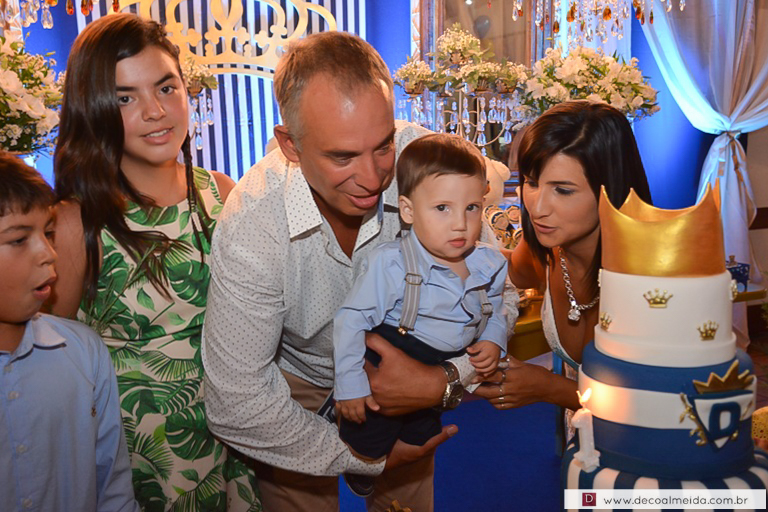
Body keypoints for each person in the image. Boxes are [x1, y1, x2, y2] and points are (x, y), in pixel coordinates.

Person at [202, 31, 513, 512]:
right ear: (290, 144)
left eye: (383, 145)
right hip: (296, 386)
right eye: (342, 156)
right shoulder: (254, 221)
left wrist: (443, 379)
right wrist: (363, 460)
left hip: (411, 372)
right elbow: (237, 400)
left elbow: (497, 295)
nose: (372, 178)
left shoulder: (424, 165)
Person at [49, 14, 260, 511]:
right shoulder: (78, 223)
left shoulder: (222, 194)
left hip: (236, 438)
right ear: (94, 109)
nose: (155, 111)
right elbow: (52, 366)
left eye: (166, 87)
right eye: (125, 98)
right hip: (139, 458)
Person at [334, 133, 508, 496]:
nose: (460, 223)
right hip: (397, 351)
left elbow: (497, 307)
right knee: (367, 440)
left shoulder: (489, 262)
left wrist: (494, 338)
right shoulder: (392, 263)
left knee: (421, 440)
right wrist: (350, 385)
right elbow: (351, 319)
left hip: (442, 366)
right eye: (442, 208)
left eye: (471, 207)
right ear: (409, 211)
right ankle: (362, 465)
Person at [474, 100, 652, 418]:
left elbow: (652, 404)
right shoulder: (546, 251)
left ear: (610, 187)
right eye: (532, 182)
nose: (538, 207)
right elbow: (507, 269)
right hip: (582, 436)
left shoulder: (650, 280)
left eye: (563, 190)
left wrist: (548, 387)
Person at [0, 151, 139, 512]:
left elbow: (114, 487)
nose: (49, 253)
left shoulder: (84, 351)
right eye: (18, 240)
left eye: (48, 233)